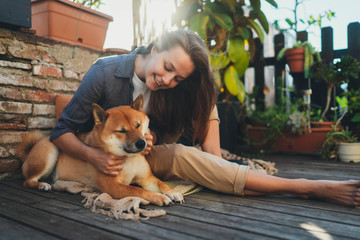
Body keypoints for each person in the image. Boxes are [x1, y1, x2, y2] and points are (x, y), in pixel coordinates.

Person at [51, 29, 360, 207]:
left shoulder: (171, 89)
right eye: (168, 67)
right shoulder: (105, 73)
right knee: (186, 157)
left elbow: (164, 131)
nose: (167, 80)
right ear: (156, 47)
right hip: (111, 158)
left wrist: (152, 137)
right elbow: (61, 131)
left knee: (202, 107)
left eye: (177, 78)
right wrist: (94, 156)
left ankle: (221, 163)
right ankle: (307, 187)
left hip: (149, 154)